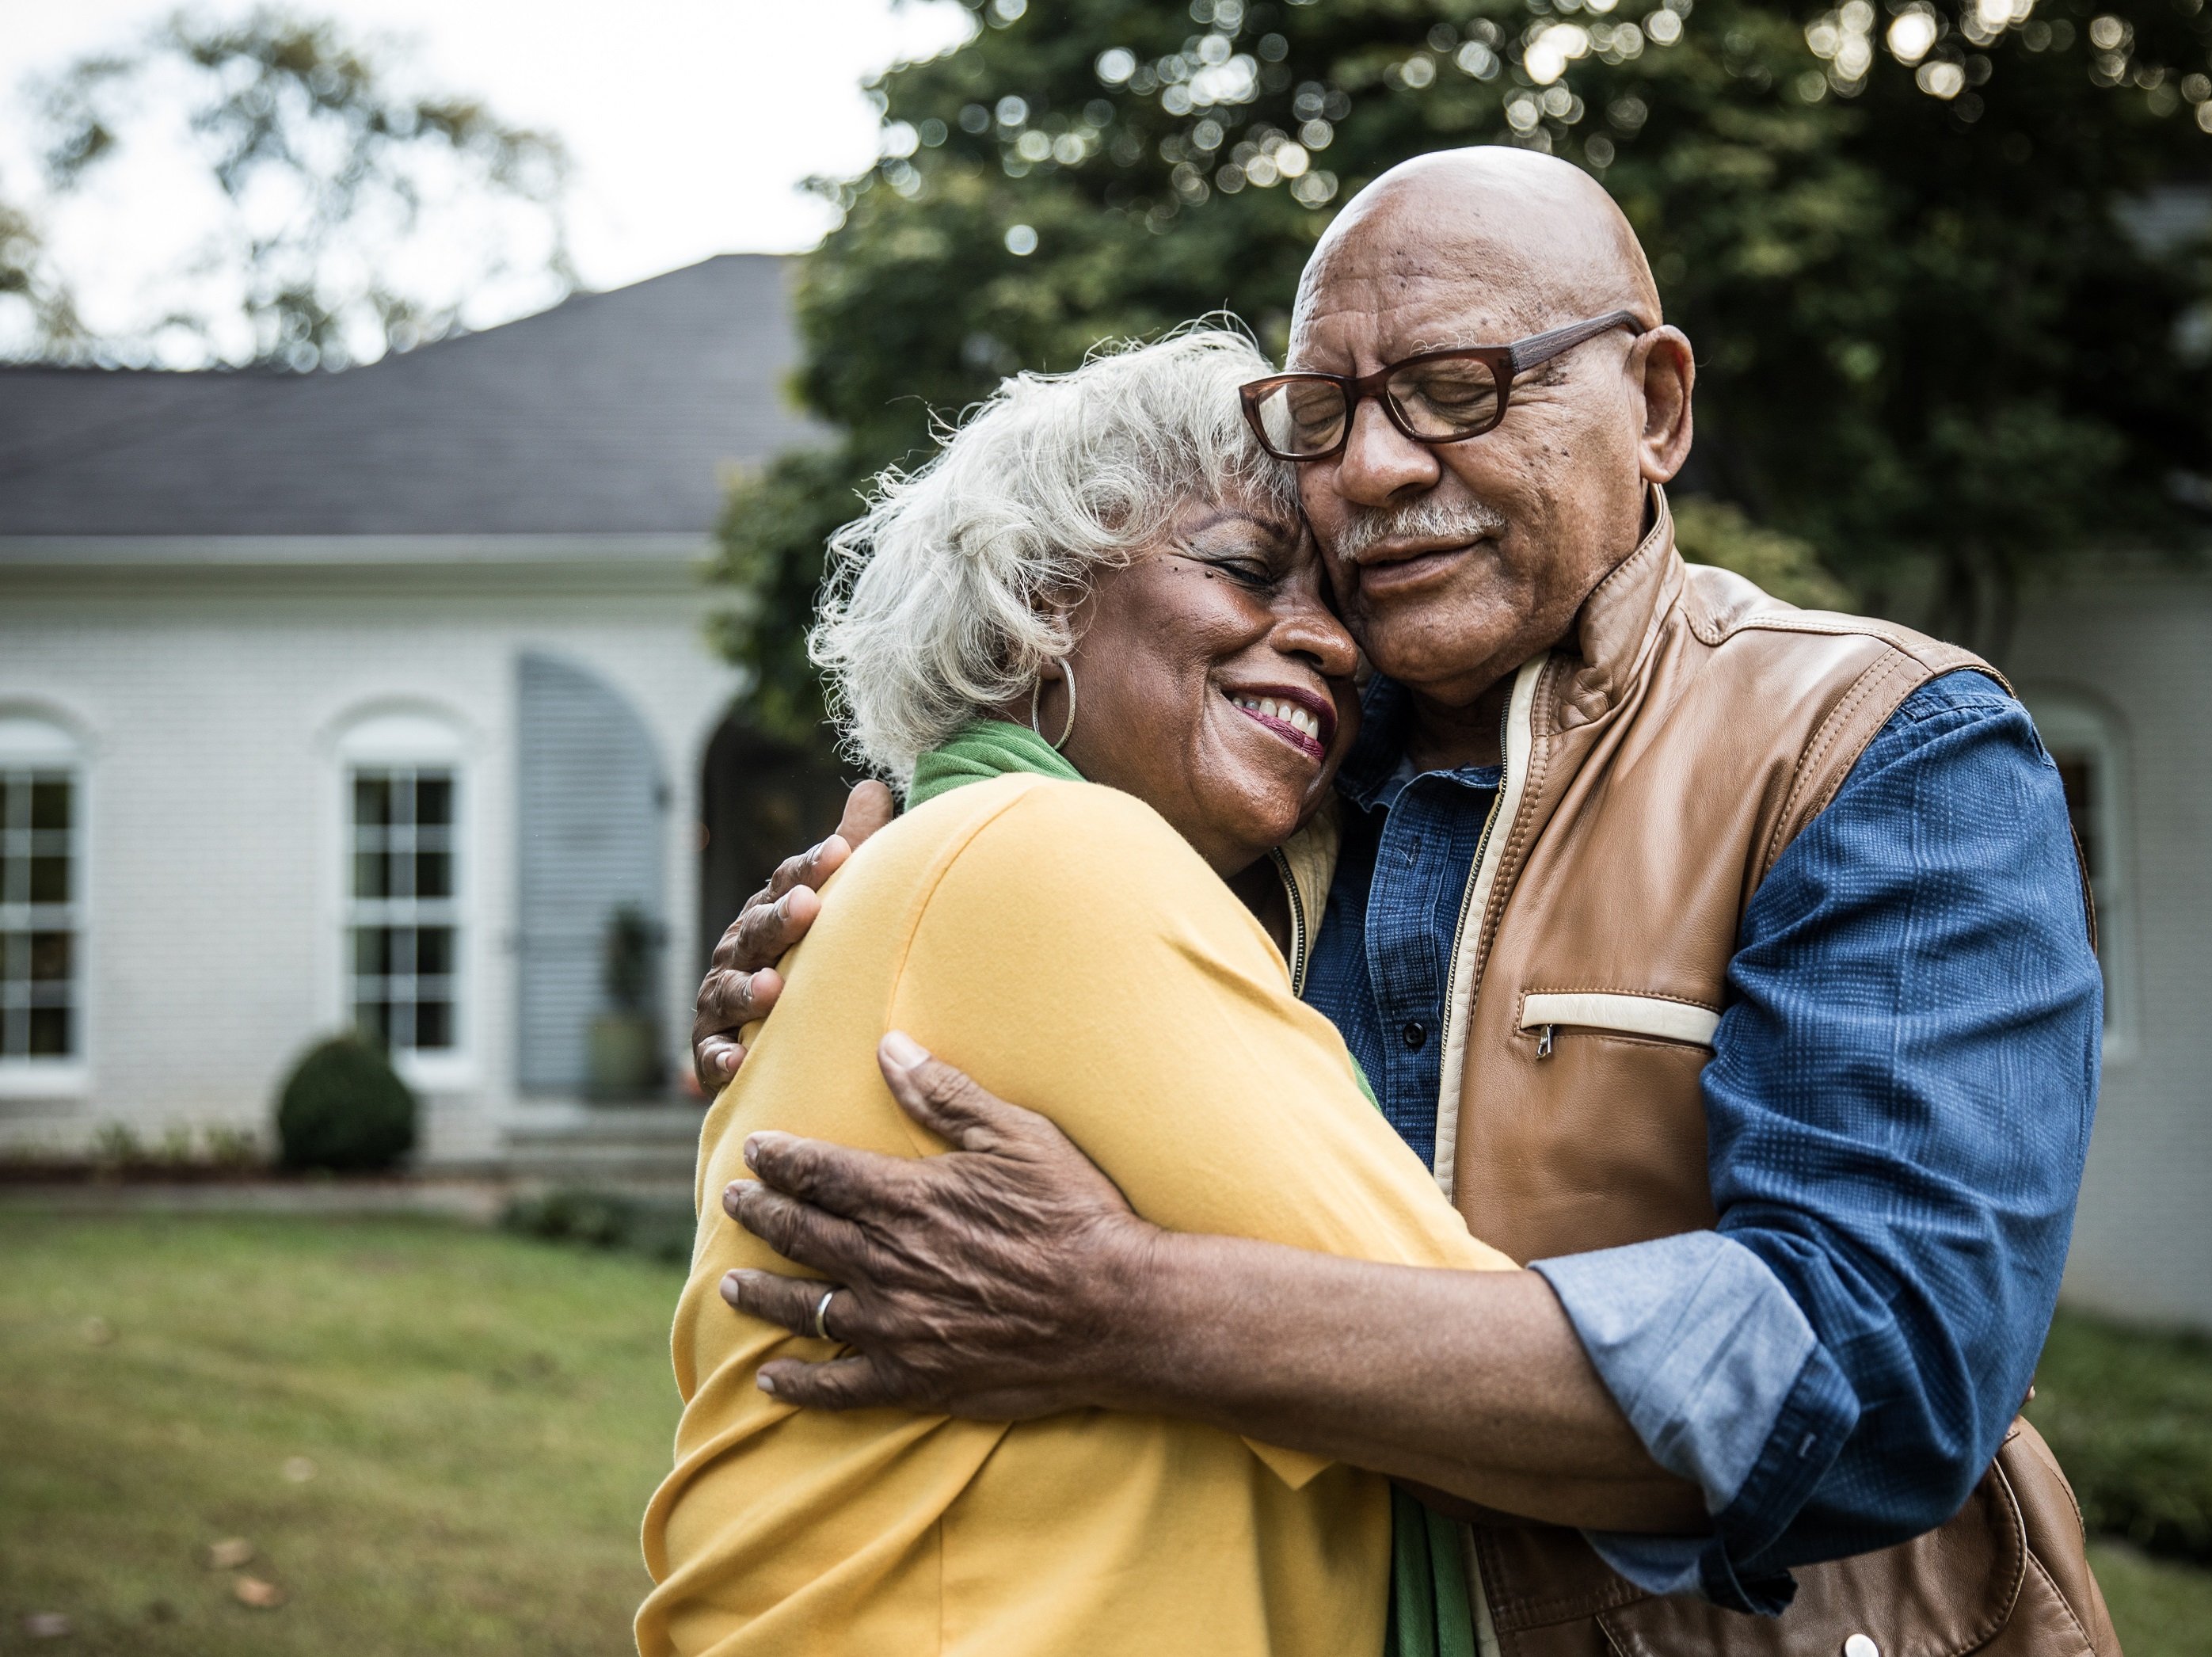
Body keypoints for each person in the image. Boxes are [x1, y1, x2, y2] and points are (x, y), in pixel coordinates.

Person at [692, 148, 2120, 1651]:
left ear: (1654, 406)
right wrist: (842, 948)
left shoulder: (1869, 744)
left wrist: (1128, 1310)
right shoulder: (1246, 782)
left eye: (1455, 388)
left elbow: (1879, 1374)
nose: (1368, 469)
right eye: (1325, 413)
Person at [637, 328, 1629, 1657]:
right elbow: (1533, 1410)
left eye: (1336, 605)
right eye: (1244, 568)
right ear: (1040, 599)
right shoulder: (1048, 853)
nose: (1331, 644)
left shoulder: (935, 873)